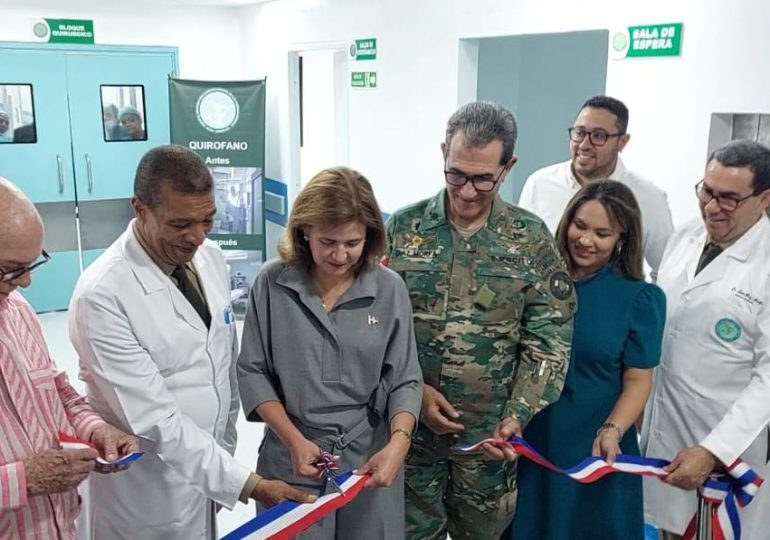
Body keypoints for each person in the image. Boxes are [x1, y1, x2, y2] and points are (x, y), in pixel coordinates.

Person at [68, 145, 314, 540]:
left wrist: (224, 458)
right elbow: (157, 420)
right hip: (147, 490)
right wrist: (248, 484)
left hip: (206, 475)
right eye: (181, 223)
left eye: (208, 220)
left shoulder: (209, 258)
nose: (197, 236)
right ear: (140, 208)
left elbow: (221, 370)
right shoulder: (102, 296)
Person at [385, 101, 575, 540]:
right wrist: (415, 390)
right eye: (456, 174)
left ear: (508, 167)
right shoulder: (403, 229)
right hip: (409, 437)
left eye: (482, 178)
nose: (467, 191)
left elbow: (550, 340)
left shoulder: (529, 240)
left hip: (490, 444)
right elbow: (376, 332)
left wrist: (518, 414)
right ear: (442, 154)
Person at [238, 166, 423, 539]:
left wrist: (398, 446)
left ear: (369, 236)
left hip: (369, 460)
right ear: (304, 231)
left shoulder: (389, 289)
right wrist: (293, 440)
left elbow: (404, 377)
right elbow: (252, 372)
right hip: (293, 454)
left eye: (352, 243)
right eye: (328, 242)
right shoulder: (272, 284)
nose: (340, 255)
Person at [506, 180, 666, 540]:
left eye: (602, 233)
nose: (585, 240)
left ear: (621, 239)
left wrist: (612, 431)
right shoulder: (535, 283)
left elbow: (639, 381)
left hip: (596, 446)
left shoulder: (640, 298)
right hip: (532, 440)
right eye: (580, 226)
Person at [642, 139, 770, 540]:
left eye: (729, 199)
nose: (712, 207)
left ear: (764, 198)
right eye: (707, 191)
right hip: (665, 432)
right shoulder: (685, 237)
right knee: (667, 530)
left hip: (726, 448)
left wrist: (715, 449)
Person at [0, 177, 138, 539]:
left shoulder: (18, 311)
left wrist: (95, 430)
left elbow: (58, 393)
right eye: (10, 268)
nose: (26, 282)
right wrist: (23, 480)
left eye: (34, 264)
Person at [518, 95, 673, 279]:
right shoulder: (540, 184)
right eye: (579, 133)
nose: (584, 144)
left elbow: (666, 270)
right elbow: (521, 254)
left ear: (622, 142)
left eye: (598, 136)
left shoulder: (649, 198)